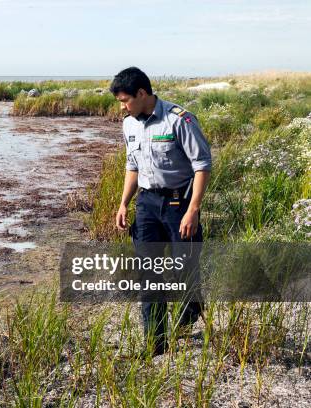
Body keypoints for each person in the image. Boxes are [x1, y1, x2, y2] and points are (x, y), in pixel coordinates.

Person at [110, 67, 212, 357]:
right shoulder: (129, 124)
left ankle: (190, 310)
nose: (123, 106)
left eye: (125, 100)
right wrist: (123, 203)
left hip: (180, 204)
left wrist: (193, 209)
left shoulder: (179, 119)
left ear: (143, 94)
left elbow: (202, 165)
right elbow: (133, 166)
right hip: (146, 205)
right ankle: (156, 345)